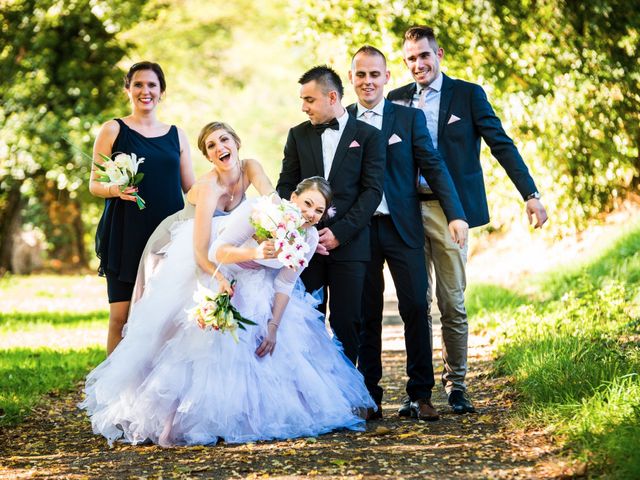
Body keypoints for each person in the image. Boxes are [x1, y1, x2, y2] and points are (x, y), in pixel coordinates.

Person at [80, 176, 375, 447]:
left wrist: (273, 326)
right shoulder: (263, 211)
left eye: (318, 211)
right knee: (207, 350)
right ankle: (191, 416)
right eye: (307, 203)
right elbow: (217, 251)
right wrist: (257, 252)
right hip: (226, 276)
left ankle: (248, 416)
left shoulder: (309, 239)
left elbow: (286, 283)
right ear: (294, 197)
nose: (310, 213)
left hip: (265, 289)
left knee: (267, 350)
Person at [388, 26, 549, 414]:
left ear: (439, 54)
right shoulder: (396, 101)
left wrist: (530, 194)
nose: (417, 64)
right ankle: (419, 392)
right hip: (406, 211)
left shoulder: (468, 95)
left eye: (424, 55)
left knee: (453, 302)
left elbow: (501, 144)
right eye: (410, 58)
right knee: (416, 304)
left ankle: (456, 385)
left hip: (451, 213)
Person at [347, 46, 468, 421]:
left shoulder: (408, 118)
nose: (368, 81)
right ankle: (370, 395)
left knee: (416, 305)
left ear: (386, 78)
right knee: (366, 314)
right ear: (351, 79)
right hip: (361, 231)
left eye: (374, 74)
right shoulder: (342, 120)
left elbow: (433, 165)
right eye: (361, 75)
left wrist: (455, 214)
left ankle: (420, 394)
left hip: (403, 226)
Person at [276, 65, 385, 364]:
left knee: (348, 323)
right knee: (306, 320)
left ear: (332, 96)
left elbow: (372, 191)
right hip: (305, 248)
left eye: (309, 99)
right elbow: (286, 185)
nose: (303, 107)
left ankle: (350, 395)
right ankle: (312, 398)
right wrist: (303, 227)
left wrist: (340, 233)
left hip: (351, 245)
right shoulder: (297, 135)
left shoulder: (369, 136)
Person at [90, 61, 195, 355]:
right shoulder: (113, 130)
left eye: (152, 85)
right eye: (138, 84)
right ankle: (114, 396)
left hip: (168, 237)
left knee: (164, 319)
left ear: (162, 92)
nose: (145, 91)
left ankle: (153, 395)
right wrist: (115, 190)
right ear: (128, 89)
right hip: (125, 235)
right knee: (120, 318)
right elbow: (94, 184)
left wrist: (229, 187)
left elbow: (192, 188)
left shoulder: (177, 134)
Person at [131, 121, 276, 304]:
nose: (220, 147)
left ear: (236, 143)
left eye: (224, 139)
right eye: (211, 146)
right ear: (208, 157)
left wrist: (290, 227)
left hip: (220, 242)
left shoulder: (250, 167)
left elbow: (271, 198)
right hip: (181, 242)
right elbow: (200, 252)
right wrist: (220, 280)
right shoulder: (209, 188)